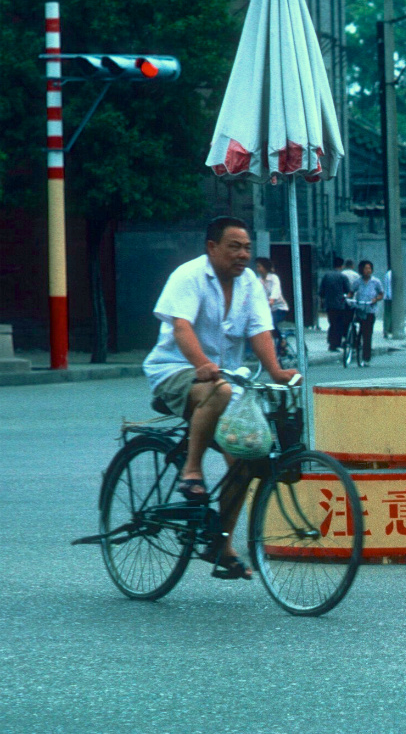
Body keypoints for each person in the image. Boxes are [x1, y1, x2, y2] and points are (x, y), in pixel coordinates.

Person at [142, 217, 297, 580]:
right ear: (212, 247)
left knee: (244, 460)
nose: (243, 254)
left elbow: (260, 330)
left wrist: (276, 372)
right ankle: (191, 469)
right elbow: (181, 327)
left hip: (228, 381)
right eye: (234, 246)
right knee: (220, 390)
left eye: (246, 248)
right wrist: (202, 364)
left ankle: (220, 545)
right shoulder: (189, 275)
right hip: (177, 371)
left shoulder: (249, 284)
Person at [351, 260, 384, 364]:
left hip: (370, 310)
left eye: (369, 268)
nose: (367, 271)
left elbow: (381, 294)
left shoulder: (376, 282)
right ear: (361, 270)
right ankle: (353, 342)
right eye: (365, 268)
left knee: (367, 334)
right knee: (352, 325)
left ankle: (366, 357)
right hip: (359, 308)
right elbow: (351, 292)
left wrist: (375, 299)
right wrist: (348, 299)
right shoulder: (357, 282)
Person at [254, 257, 289, 355]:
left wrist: (271, 300)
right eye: (257, 266)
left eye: (259, 266)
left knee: (270, 323)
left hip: (279, 308)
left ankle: (282, 339)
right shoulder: (258, 281)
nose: (257, 269)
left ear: (265, 267)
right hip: (268, 309)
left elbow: (275, 292)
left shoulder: (274, 278)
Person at [319, 256, 351, 352]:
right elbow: (348, 290)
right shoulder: (342, 276)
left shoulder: (326, 276)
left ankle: (331, 342)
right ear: (342, 266)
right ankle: (336, 343)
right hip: (340, 304)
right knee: (339, 324)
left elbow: (321, 291)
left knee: (332, 323)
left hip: (329, 304)